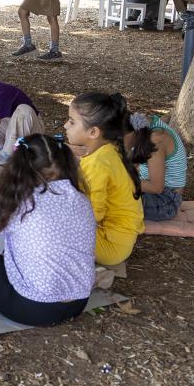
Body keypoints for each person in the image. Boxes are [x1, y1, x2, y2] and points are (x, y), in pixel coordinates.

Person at [0, 134, 96, 326]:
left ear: (19, 165)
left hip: (34, 309)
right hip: (79, 302)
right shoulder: (79, 198)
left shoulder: (21, 200)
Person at [64, 93, 145, 266]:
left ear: (93, 132)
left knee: (46, 225)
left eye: (71, 122)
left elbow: (91, 215)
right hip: (116, 238)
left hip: (110, 245)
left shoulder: (99, 163)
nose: (65, 125)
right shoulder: (107, 149)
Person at [126, 111, 188, 222]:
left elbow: (156, 188)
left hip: (167, 200)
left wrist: (119, 180)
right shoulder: (141, 128)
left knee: (113, 202)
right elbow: (132, 165)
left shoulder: (155, 140)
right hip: (150, 190)